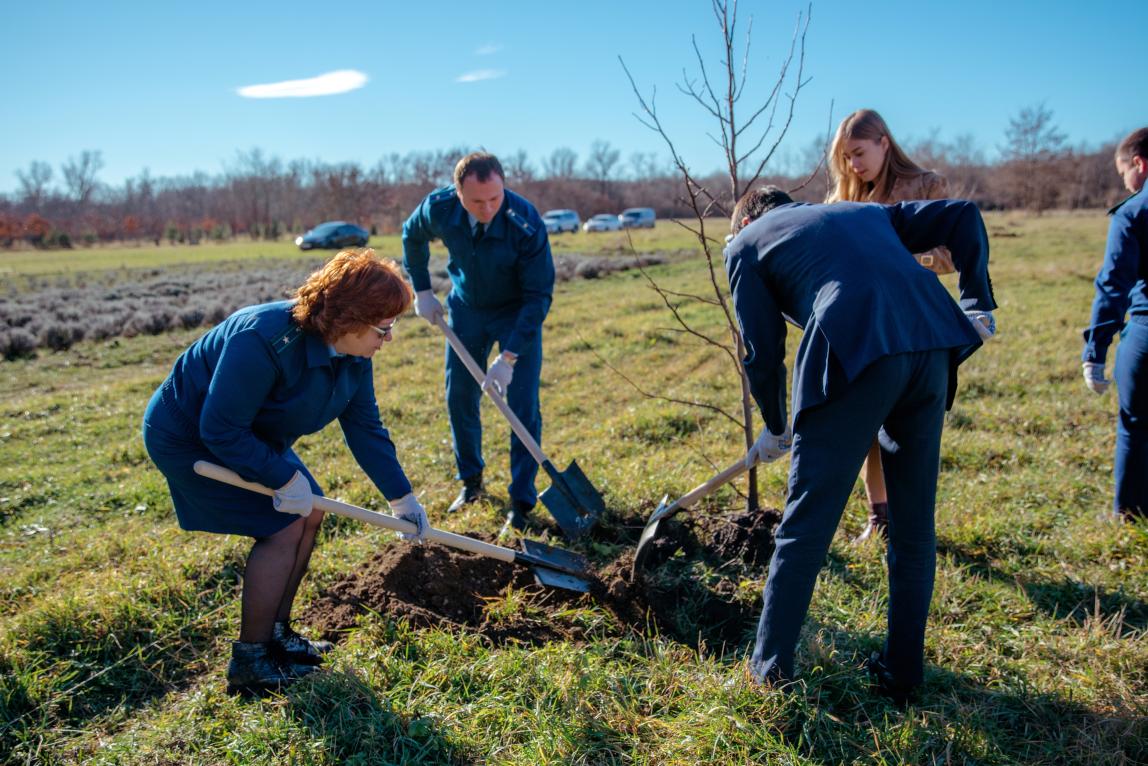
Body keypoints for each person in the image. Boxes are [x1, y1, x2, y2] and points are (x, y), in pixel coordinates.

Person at [725, 186, 996, 703]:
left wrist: (777, 425)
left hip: (855, 348)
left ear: (743, 222)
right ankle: (903, 672)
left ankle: (768, 675)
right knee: (913, 527)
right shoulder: (862, 212)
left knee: (805, 524)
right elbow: (963, 213)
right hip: (931, 342)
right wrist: (977, 300)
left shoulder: (745, 245)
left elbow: (761, 352)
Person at [142, 248, 428, 695]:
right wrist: (281, 479)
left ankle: (277, 635)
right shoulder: (262, 340)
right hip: (192, 437)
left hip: (249, 435)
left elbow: (365, 426)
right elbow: (219, 428)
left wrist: (401, 498)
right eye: (384, 327)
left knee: (311, 511)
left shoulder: (354, 355)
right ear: (349, 318)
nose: (388, 338)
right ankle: (251, 661)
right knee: (284, 525)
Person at [402, 152, 555, 532]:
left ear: (503, 186)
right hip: (467, 307)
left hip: (515, 311)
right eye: (476, 201)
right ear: (457, 193)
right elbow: (411, 234)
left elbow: (538, 296)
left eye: (494, 198)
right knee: (460, 395)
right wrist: (421, 290)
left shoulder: (526, 222)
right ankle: (470, 482)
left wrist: (509, 357)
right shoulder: (439, 208)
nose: (487, 208)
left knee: (521, 406)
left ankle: (521, 500)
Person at [827, 108, 957, 542]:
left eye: (859, 153)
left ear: (884, 141)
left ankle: (911, 520)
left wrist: (896, 256)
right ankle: (878, 518)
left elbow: (947, 255)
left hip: (914, 325)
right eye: (846, 158)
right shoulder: (845, 197)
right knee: (864, 428)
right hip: (860, 325)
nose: (853, 165)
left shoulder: (926, 185)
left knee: (904, 429)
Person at [1082, 127, 1148, 522]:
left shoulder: (1134, 212)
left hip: (1145, 332)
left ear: (1139, 163)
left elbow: (1113, 285)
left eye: (1124, 171)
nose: (1125, 180)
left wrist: (1095, 351)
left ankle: (1129, 515)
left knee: (1136, 426)